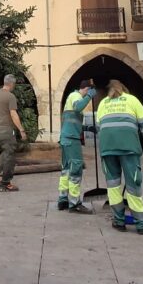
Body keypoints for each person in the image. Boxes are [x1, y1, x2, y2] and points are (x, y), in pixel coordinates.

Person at [96, 79, 143, 234]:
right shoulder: (132, 100)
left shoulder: (103, 103)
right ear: (124, 89)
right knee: (133, 184)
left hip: (108, 148)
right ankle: (140, 223)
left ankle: (119, 221)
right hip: (129, 148)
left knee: (113, 185)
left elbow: (98, 126)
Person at [57, 79, 96, 213]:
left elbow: (72, 121)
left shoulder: (73, 98)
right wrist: (90, 96)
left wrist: (87, 127)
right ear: (86, 89)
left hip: (66, 137)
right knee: (76, 168)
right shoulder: (76, 96)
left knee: (66, 169)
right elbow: (78, 107)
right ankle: (74, 203)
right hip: (71, 139)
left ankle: (62, 200)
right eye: (88, 91)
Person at [0, 74, 27, 192]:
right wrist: (21, 129)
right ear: (12, 84)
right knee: (10, 153)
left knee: (8, 150)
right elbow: (13, 114)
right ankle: (5, 182)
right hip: (7, 129)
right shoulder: (10, 96)